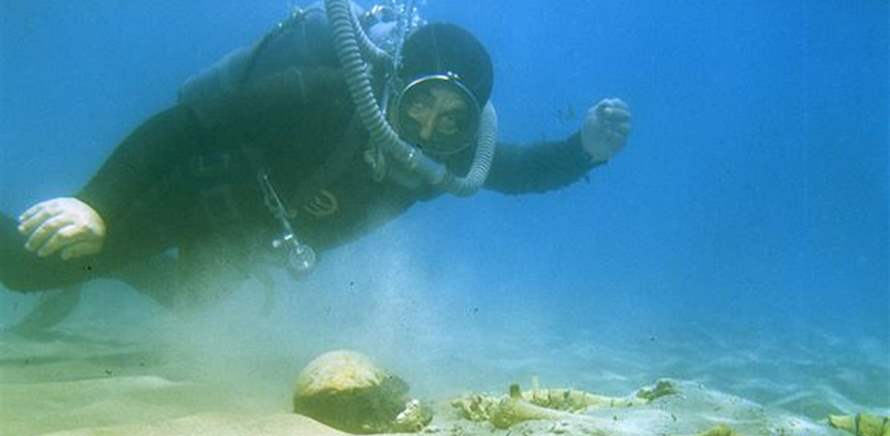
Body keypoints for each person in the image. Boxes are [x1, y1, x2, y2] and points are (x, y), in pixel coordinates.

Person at [0, 1, 631, 312]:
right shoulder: (328, 95)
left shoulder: (438, 165)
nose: (424, 126)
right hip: (190, 196)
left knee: (191, 303)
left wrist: (585, 151)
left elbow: (518, 171)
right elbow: (186, 124)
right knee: (34, 268)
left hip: (241, 247)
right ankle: (101, 253)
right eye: (419, 102)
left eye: (449, 119)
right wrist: (97, 204)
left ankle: (111, 263)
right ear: (398, 84)